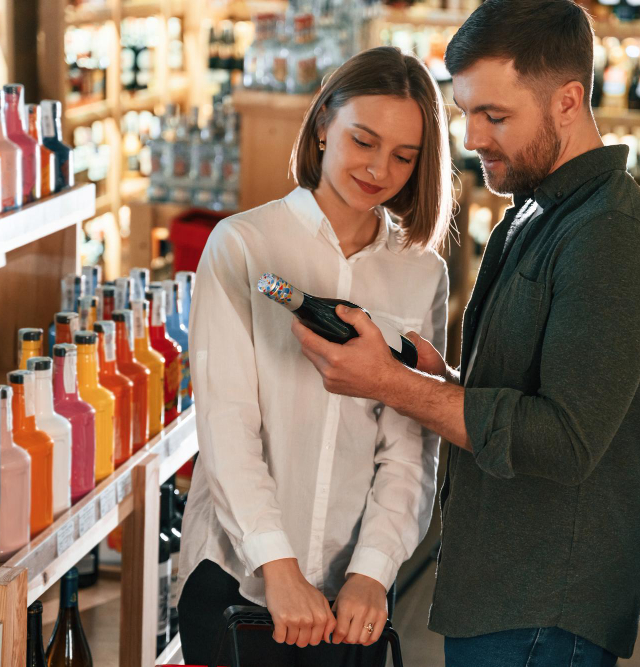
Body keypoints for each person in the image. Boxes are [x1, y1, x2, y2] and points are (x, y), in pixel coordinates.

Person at [290, 1, 640, 666]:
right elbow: (537, 389)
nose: (472, 136)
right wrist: (437, 380)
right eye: (467, 111)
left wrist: (390, 384)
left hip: (546, 605)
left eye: (495, 116)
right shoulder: (540, 209)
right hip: (510, 591)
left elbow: (563, 438)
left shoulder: (610, 237)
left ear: (567, 102)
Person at [176, 46, 453, 666]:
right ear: (324, 122)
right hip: (237, 577)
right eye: (364, 140)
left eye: (404, 156)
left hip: (353, 601)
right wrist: (277, 567)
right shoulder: (243, 245)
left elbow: (410, 447)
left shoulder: (422, 273)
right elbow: (226, 424)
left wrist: (372, 571)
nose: (379, 168)